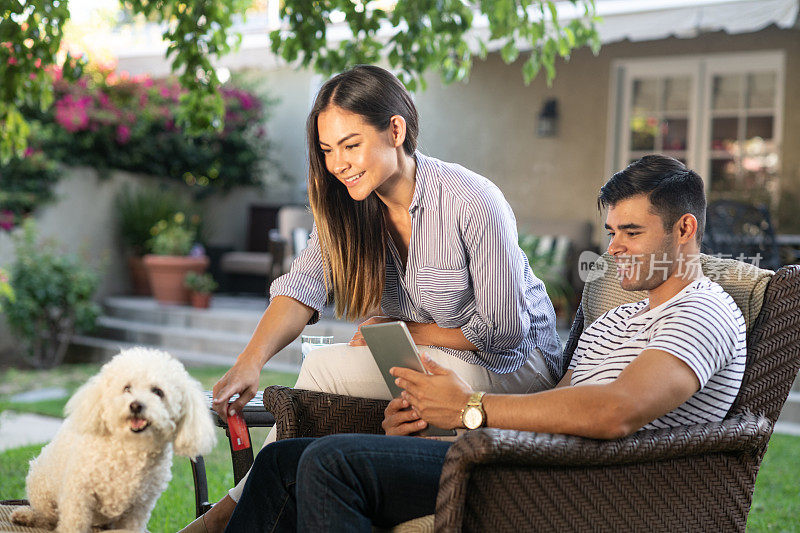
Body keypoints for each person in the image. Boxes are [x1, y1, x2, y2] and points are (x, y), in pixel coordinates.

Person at [223, 154, 748, 532]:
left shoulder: (703, 310)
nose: (613, 248)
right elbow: (548, 406)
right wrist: (432, 422)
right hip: (510, 457)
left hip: (582, 486)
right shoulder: (617, 320)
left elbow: (617, 412)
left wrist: (470, 409)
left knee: (331, 463)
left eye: (630, 232)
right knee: (285, 461)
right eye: (610, 232)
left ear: (684, 229)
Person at [180, 65, 563, 533]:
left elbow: (506, 333)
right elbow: (300, 288)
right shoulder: (351, 207)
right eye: (326, 150)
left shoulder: (474, 202)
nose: (337, 163)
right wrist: (250, 362)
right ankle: (257, 500)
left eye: (350, 144)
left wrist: (408, 334)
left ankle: (231, 513)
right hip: (433, 354)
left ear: (395, 130)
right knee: (321, 369)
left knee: (375, 373)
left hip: (518, 368)